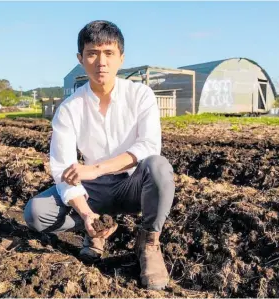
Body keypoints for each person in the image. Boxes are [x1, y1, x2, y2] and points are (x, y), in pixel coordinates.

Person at [23, 20, 175, 290]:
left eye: (108, 53)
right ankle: (94, 230)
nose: (100, 62)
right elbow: (62, 169)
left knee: (159, 167)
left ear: (121, 58)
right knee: (36, 213)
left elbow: (149, 147)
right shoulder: (70, 108)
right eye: (92, 53)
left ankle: (149, 243)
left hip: (132, 185)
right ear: (81, 59)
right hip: (93, 192)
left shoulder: (141, 95)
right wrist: (85, 213)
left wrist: (95, 169)